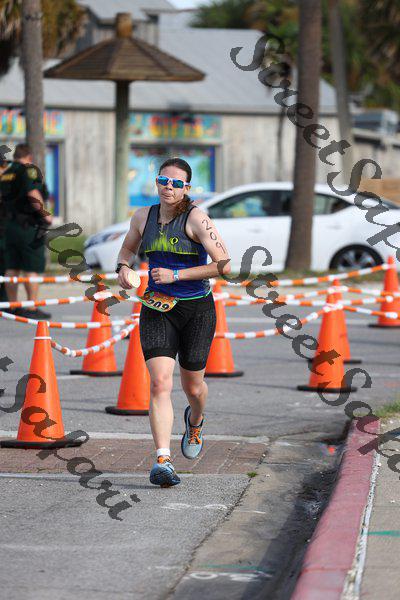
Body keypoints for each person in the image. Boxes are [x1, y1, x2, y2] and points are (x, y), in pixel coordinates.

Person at [117, 157, 231, 487]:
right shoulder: (142, 217)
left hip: (196, 309)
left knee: (192, 387)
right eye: (163, 181)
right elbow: (126, 251)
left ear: (186, 188)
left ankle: (195, 420)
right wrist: (123, 269)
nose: (169, 187)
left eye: (177, 183)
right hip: (157, 307)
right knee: (160, 383)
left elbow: (224, 265)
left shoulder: (197, 218)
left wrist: (177, 275)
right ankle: (163, 460)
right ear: (156, 182)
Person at [0, 143, 53, 319]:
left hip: (10, 227)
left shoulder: (6, 173)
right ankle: (31, 307)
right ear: (29, 156)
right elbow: (32, 193)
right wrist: (46, 215)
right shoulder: (28, 170)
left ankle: (12, 306)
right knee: (31, 267)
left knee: (12, 267)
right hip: (27, 227)